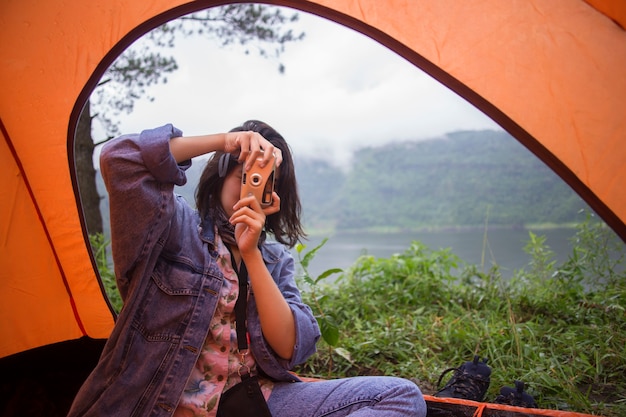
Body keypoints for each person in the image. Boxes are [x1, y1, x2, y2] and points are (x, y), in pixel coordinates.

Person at [68, 121, 427, 417]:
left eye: (264, 180)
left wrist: (251, 254)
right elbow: (121, 158)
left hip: (253, 403)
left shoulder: (273, 261)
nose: (250, 188)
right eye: (244, 173)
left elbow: (290, 348)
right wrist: (226, 141)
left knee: (401, 397)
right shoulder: (173, 228)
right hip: (164, 405)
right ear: (220, 172)